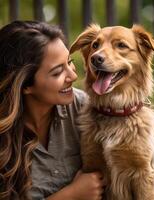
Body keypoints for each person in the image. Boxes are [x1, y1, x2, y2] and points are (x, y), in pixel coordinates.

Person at [0, 20, 105, 200]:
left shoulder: (83, 107)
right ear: (25, 85)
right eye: (57, 72)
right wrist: (72, 195)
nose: (73, 75)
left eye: (69, 62)